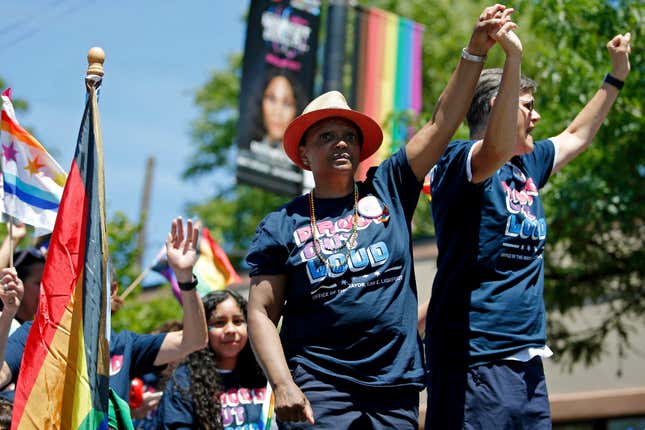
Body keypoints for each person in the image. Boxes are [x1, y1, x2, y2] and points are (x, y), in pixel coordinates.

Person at [245, 5, 518, 428]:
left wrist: (475, 50)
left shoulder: (389, 185)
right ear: (304, 153)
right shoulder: (282, 224)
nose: (341, 143)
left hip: (395, 386)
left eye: (349, 136)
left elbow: (442, 122)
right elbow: (261, 311)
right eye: (327, 136)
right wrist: (282, 383)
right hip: (319, 386)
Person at [424, 29, 632, 429]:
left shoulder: (527, 166)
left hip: (526, 361)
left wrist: (616, 75)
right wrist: (511, 60)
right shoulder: (456, 162)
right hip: (474, 359)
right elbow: (494, 149)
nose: (536, 116)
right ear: (497, 108)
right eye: (527, 107)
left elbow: (577, 135)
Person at [0, 217, 208, 404]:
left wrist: (185, 278)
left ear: (112, 291)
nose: (83, 291)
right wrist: (8, 314)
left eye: (92, 282)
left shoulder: (124, 345)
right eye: (74, 283)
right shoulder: (34, 335)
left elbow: (194, 340)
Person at [156, 289, 269, 430]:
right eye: (219, 323)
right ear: (202, 330)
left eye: (238, 321)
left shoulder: (266, 374)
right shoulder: (182, 381)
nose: (231, 330)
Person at [248, 67, 308, 166]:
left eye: (287, 103)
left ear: (297, 109)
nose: (277, 112)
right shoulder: (245, 157)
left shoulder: (307, 169)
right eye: (271, 99)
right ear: (260, 102)